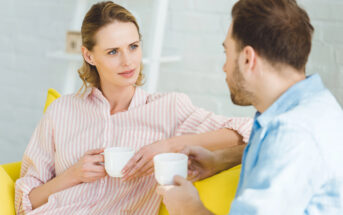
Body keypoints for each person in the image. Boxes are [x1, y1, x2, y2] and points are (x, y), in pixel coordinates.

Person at [14, 1, 252, 214]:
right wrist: (73, 175)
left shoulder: (168, 109)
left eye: (133, 46)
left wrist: (171, 144)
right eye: (113, 52)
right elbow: (26, 202)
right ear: (89, 56)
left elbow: (251, 130)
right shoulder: (61, 111)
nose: (128, 61)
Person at [156, 0, 343, 214]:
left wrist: (188, 208)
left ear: (247, 59)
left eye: (227, 53)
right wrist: (219, 159)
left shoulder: (293, 134)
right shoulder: (311, 106)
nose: (224, 67)